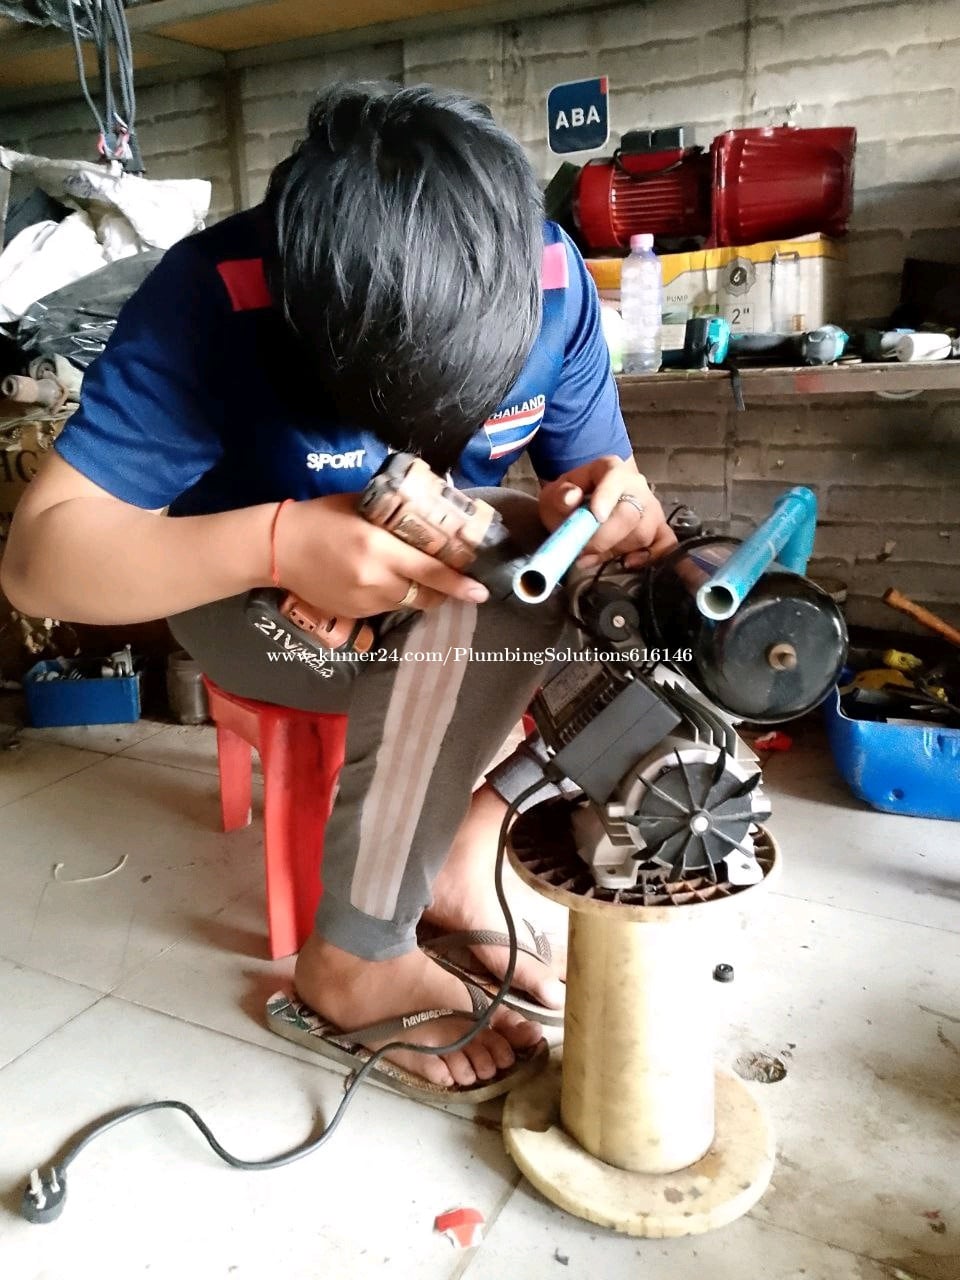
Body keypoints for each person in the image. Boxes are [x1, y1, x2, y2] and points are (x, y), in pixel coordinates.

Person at [2, 82, 675, 1101]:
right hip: (248, 597)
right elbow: (36, 563)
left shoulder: (547, 274)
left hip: (440, 584)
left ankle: (466, 841)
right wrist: (277, 541)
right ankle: (355, 956)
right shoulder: (217, 294)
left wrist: (615, 508)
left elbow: (593, 491)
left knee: (638, 603)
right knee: (476, 610)